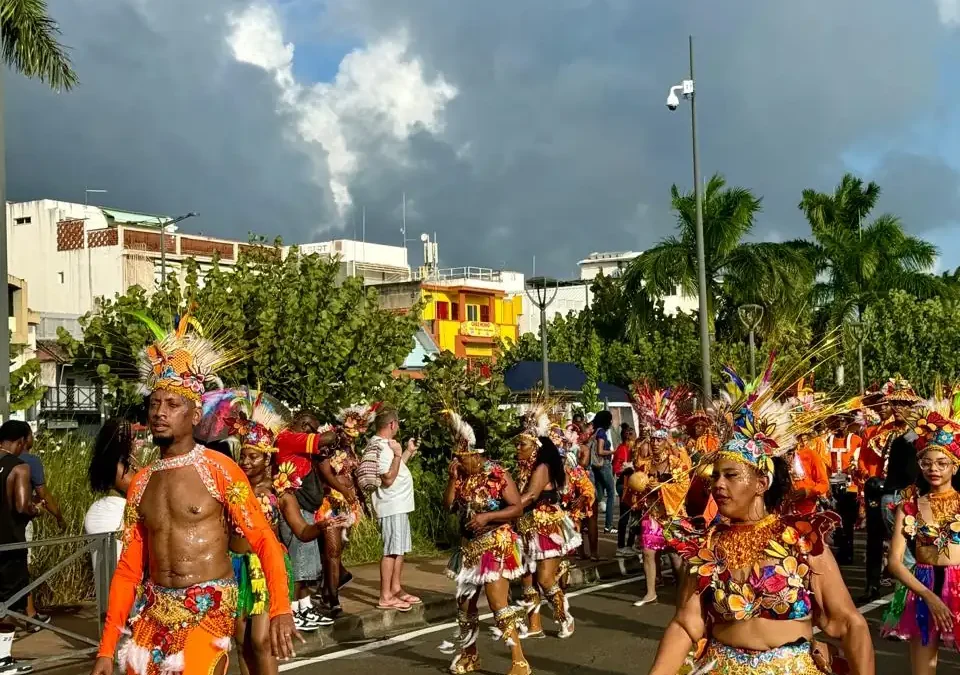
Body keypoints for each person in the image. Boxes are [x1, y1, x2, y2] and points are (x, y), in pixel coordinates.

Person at [91, 315, 297, 675]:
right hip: (152, 615)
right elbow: (128, 571)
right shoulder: (141, 482)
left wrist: (280, 608)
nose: (159, 413)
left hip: (208, 611)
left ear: (195, 413)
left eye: (172, 404)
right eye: (155, 403)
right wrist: (106, 650)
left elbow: (264, 540)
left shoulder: (219, 469)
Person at [651, 365, 874, 675]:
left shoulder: (800, 539)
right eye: (715, 476)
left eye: (730, 476)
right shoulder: (705, 545)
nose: (718, 485)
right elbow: (686, 624)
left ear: (761, 483)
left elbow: (849, 622)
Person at [440, 411, 529, 675]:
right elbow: (448, 506)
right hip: (468, 548)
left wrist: (487, 516)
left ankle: (519, 660)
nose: (458, 460)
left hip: (494, 544)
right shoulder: (462, 476)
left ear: (476, 454)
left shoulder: (498, 474)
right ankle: (470, 656)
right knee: (465, 607)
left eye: (462, 456)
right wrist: (453, 478)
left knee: (497, 604)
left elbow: (516, 509)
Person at [883, 408, 960, 673]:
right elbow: (895, 562)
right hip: (922, 590)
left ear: (955, 465)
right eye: (927, 463)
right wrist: (928, 596)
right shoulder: (909, 506)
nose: (933, 469)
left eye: (942, 463)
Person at [629, 383, 691, 608]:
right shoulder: (645, 465)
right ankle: (651, 592)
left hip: (672, 513)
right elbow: (637, 486)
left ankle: (683, 592)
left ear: (666, 440)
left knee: (676, 557)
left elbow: (683, 486)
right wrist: (641, 488)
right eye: (652, 439)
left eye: (659, 439)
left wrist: (660, 487)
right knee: (647, 552)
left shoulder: (676, 462)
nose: (654, 443)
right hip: (652, 513)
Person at [517, 436, 580, 639]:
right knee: (527, 578)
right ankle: (535, 626)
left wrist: (503, 509)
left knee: (545, 579)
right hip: (527, 527)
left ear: (535, 448)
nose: (518, 449)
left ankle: (564, 618)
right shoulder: (526, 467)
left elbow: (530, 496)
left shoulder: (542, 468)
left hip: (546, 527)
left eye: (522, 445)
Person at [862, 379, 918, 602]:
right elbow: (865, 464)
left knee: (905, 549)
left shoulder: (917, 434)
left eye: (903, 404)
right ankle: (872, 584)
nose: (898, 408)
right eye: (895, 403)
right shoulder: (877, 433)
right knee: (874, 539)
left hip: (903, 494)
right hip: (880, 493)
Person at [85, 420, 140, 615]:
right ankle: (117, 620)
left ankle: (115, 619)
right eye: (131, 437)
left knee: (112, 571)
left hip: (112, 510)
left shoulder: (121, 460)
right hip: (113, 513)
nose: (135, 440)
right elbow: (135, 488)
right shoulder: (117, 463)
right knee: (117, 571)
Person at [368, 407, 420, 612]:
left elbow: (396, 471)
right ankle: (385, 595)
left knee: (399, 550)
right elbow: (388, 479)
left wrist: (406, 452)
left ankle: (395, 588)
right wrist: (398, 455)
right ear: (392, 424)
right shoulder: (380, 447)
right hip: (391, 505)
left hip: (399, 504)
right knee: (391, 550)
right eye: (397, 423)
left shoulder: (388, 446)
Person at [0, 420, 42, 675]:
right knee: (9, 605)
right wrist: (35, 508)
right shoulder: (20, 467)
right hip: (9, 543)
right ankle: (3, 660)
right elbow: (21, 505)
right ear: (21, 440)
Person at [785, 438, 830, 516]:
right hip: (784, 512)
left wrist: (808, 492)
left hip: (807, 512)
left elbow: (824, 484)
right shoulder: (774, 460)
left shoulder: (810, 455)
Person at [590, 410, 617, 535]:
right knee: (611, 493)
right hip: (603, 465)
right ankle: (608, 526)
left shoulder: (595, 431)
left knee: (598, 495)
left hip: (596, 466)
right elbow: (600, 451)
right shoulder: (601, 433)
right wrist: (612, 452)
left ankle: (592, 524)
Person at [614, 427, 638, 556]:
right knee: (625, 516)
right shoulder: (622, 449)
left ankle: (630, 544)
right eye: (628, 433)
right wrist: (628, 468)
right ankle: (621, 545)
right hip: (624, 484)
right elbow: (617, 469)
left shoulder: (636, 448)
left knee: (635, 516)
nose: (630, 435)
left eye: (632, 432)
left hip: (636, 485)